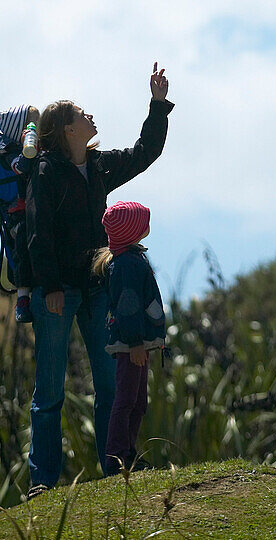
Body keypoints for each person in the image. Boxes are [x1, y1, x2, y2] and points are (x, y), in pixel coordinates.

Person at [25, 64, 172, 499]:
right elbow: (38, 233)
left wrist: (158, 105)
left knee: (111, 384)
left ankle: (116, 468)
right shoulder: (46, 172)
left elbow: (146, 151)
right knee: (49, 390)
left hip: (95, 289)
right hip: (56, 292)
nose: (92, 118)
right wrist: (49, 285)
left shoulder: (100, 166)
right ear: (66, 129)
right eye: (83, 115)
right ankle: (43, 483)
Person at [93, 200, 166, 475]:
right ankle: (116, 458)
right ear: (131, 231)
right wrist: (135, 342)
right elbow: (128, 306)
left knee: (137, 402)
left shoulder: (130, 259)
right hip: (131, 344)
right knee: (126, 400)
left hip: (137, 343)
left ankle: (129, 453)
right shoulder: (126, 265)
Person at [0, 104, 40, 322]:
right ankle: (22, 298)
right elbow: (20, 167)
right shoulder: (7, 149)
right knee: (22, 240)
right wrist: (29, 151)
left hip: (36, 206)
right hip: (17, 213)